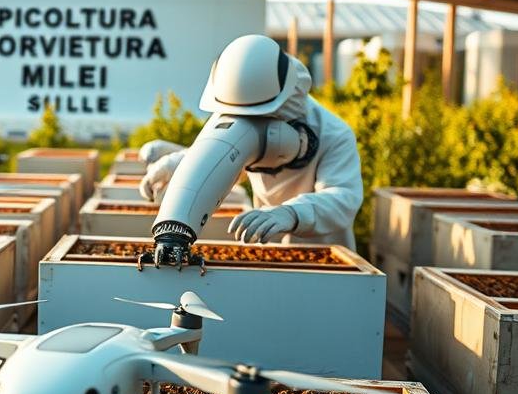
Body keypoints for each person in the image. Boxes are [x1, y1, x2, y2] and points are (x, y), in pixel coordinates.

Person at [138, 34, 363, 248]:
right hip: (268, 244)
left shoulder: (335, 135)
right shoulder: (234, 106)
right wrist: (175, 165)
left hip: (325, 253)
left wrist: (291, 213)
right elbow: (224, 155)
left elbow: (344, 199)